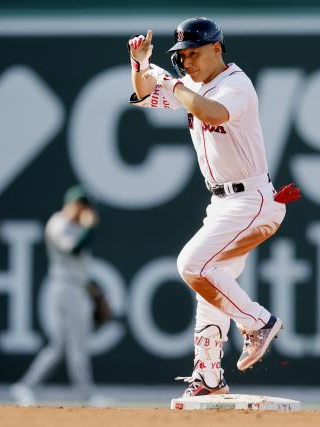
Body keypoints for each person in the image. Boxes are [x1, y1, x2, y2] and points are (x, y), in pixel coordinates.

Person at [127, 17, 301, 397]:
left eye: (193, 54)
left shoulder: (236, 85)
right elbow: (143, 97)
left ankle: (258, 322)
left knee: (192, 265)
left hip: (252, 200)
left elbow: (211, 113)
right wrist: (141, 65)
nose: (186, 62)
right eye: (181, 56)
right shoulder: (191, 85)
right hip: (223, 201)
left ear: (216, 48)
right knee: (210, 283)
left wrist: (169, 80)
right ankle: (208, 376)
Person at [10, 185, 108, 406]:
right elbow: (72, 249)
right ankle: (86, 393)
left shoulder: (75, 225)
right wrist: (90, 228)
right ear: (74, 204)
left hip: (76, 287)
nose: (87, 211)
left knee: (59, 346)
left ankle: (25, 386)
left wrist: (92, 289)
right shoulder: (58, 223)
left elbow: (80, 265)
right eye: (84, 206)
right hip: (65, 288)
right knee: (75, 344)